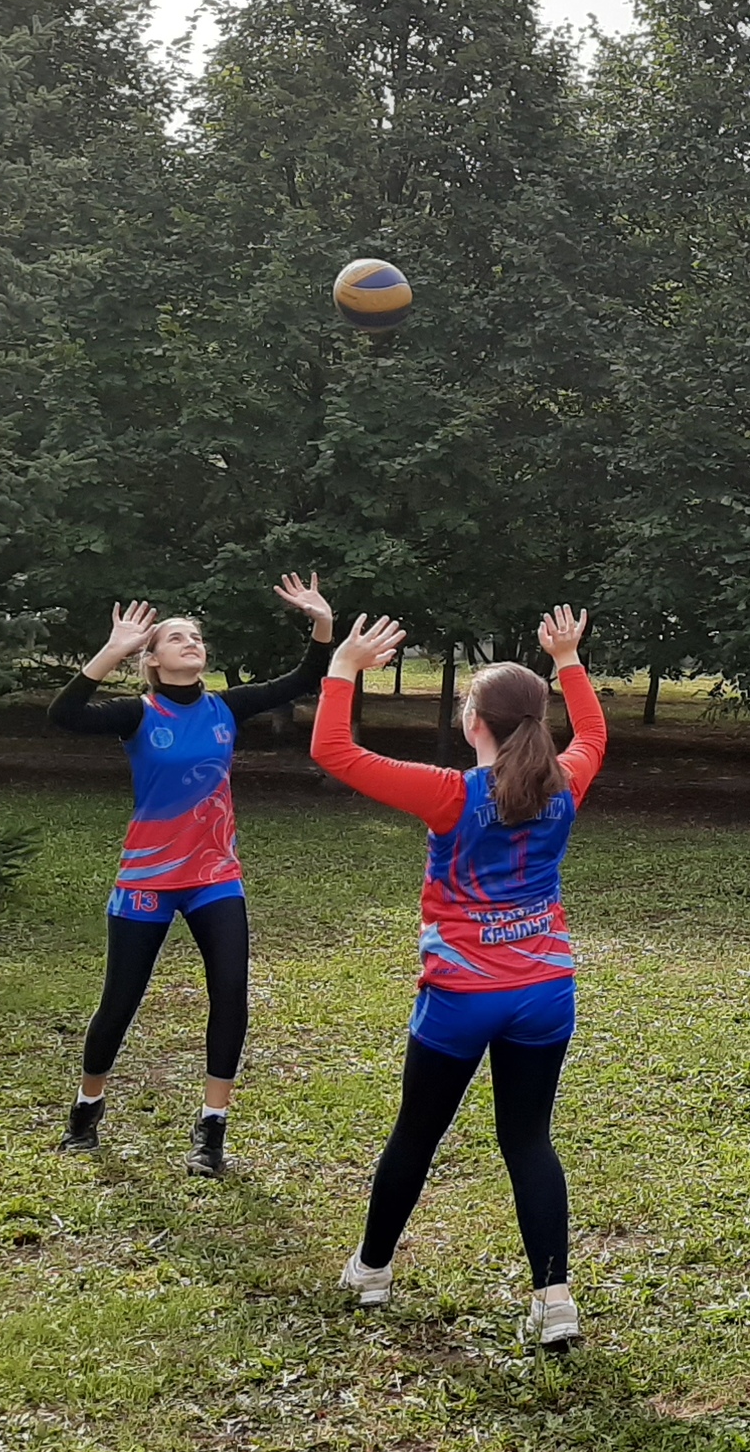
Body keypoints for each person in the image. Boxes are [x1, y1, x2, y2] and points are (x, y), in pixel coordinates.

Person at [310, 607, 606, 1352]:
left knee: (416, 1134)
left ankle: (371, 1271)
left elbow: (333, 750)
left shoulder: (451, 793)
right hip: (545, 992)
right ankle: (555, 1300)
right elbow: (594, 736)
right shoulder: (567, 782)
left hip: (460, 999)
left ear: (474, 721)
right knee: (528, 1140)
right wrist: (568, 659)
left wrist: (343, 667)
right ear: (536, 721)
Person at [49, 577, 334, 1176]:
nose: (191, 643)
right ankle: (86, 1110)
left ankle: (211, 1130)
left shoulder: (225, 707)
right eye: (176, 637)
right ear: (152, 659)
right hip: (147, 877)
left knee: (230, 993)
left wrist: (321, 623)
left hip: (214, 876)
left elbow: (304, 678)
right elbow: (65, 715)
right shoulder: (137, 712)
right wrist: (112, 650)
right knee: (119, 1002)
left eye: (197, 637)